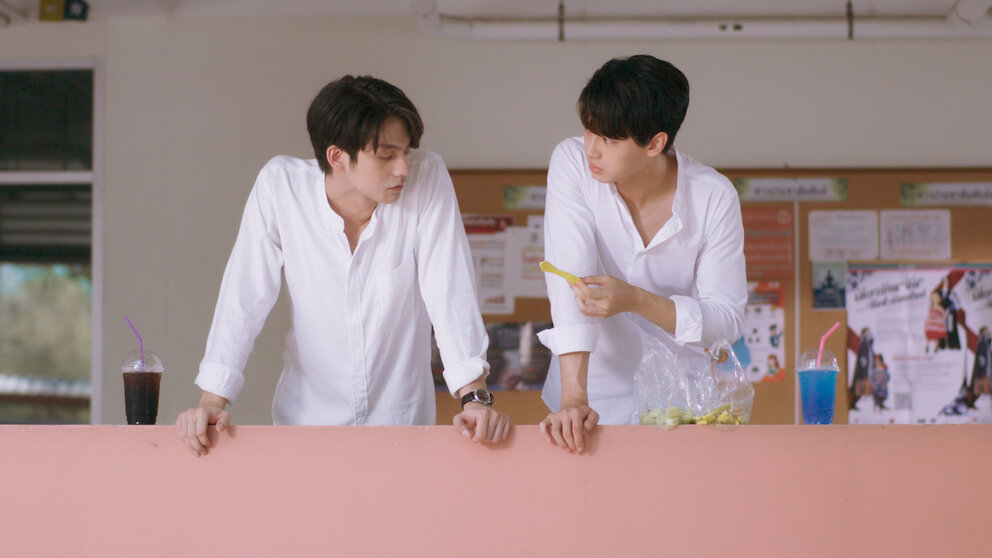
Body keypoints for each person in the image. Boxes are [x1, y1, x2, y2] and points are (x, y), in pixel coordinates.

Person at [176, 76, 510, 456]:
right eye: (386, 155)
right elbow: (244, 296)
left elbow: (449, 290)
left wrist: (474, 398)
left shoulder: (427, 178)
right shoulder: (281, 187)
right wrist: (212, 400)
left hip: (402, 426)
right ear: (337, 157)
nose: (403, 168)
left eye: (407, 152)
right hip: (306, 425)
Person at [536, 55, 746, 453]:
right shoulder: (572, 163)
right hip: (589, 399)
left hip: (682, 405)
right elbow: (570, 282)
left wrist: (636, 300)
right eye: (588, 131)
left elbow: (726, 323)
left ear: (655, 143)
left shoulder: (713, 197)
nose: (591, 150)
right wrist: (574, 398)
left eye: (610, 140)